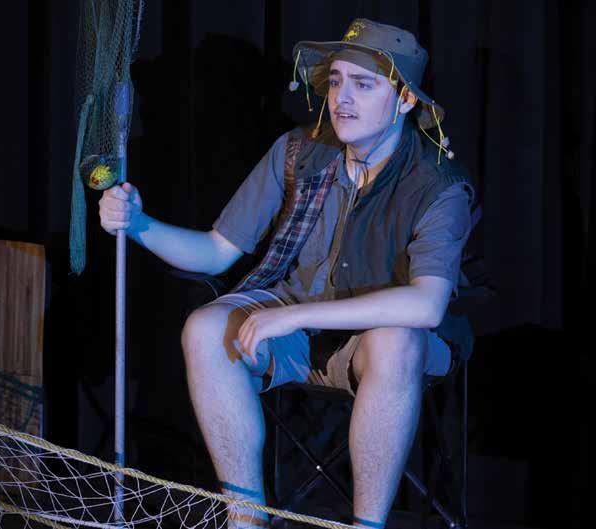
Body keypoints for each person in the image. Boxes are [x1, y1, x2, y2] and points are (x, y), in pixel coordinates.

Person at [99, 19, 475, 529]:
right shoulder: (299, 151)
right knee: (205, 328)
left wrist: (294, 317)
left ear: (405, 99)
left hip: (377, 342)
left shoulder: (438, 184)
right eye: (336, 81)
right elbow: (216, 251)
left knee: (396, 340)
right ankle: (246, 518)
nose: (342, 98)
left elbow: (426, 304)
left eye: (363, 85)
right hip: (294, 327)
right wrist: (138, 224)